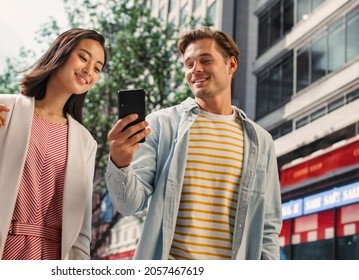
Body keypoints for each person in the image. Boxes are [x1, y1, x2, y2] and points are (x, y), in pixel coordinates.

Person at [105, 26, 282, 260]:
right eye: (189, 64)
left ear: (231, 65)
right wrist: (120, 162)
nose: (195, 69)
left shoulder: (261, 140)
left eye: (205, 60)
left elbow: (268, 226)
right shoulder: (161, 124)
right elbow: (128, 205)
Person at [0, 28, 107, 260]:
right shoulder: (0, 108)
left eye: (98, 68)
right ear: (61, 53)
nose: (89, 70)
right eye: (83, 57)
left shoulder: (85, 142)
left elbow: (81, 230)